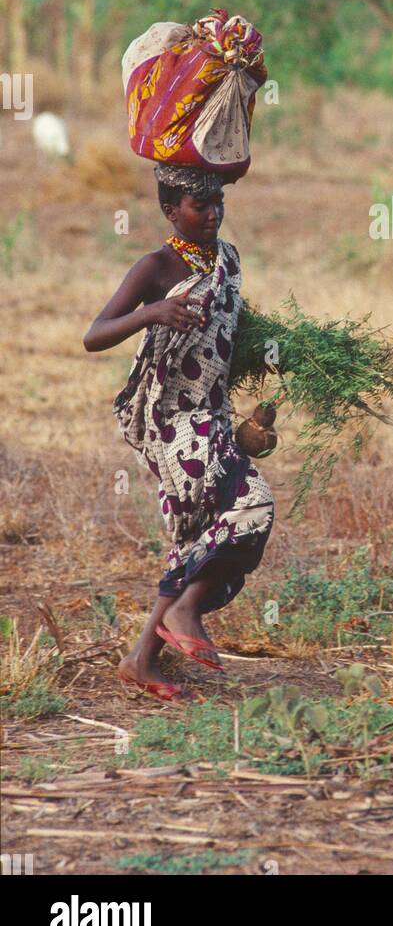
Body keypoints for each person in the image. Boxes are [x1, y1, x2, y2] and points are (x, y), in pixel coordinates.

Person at [83, 163, 275, 701]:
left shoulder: (229, 260)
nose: (213, 213)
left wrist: (246, 428)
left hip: (211, 416)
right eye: (199, 206)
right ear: (171, 211)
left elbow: (227, 337)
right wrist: (154, 313)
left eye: (219, 203)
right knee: (253, 504)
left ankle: (143, 657)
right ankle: (186, 610)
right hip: (169, 423)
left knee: (195, 539)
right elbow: (93, 336)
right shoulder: (155, 268)